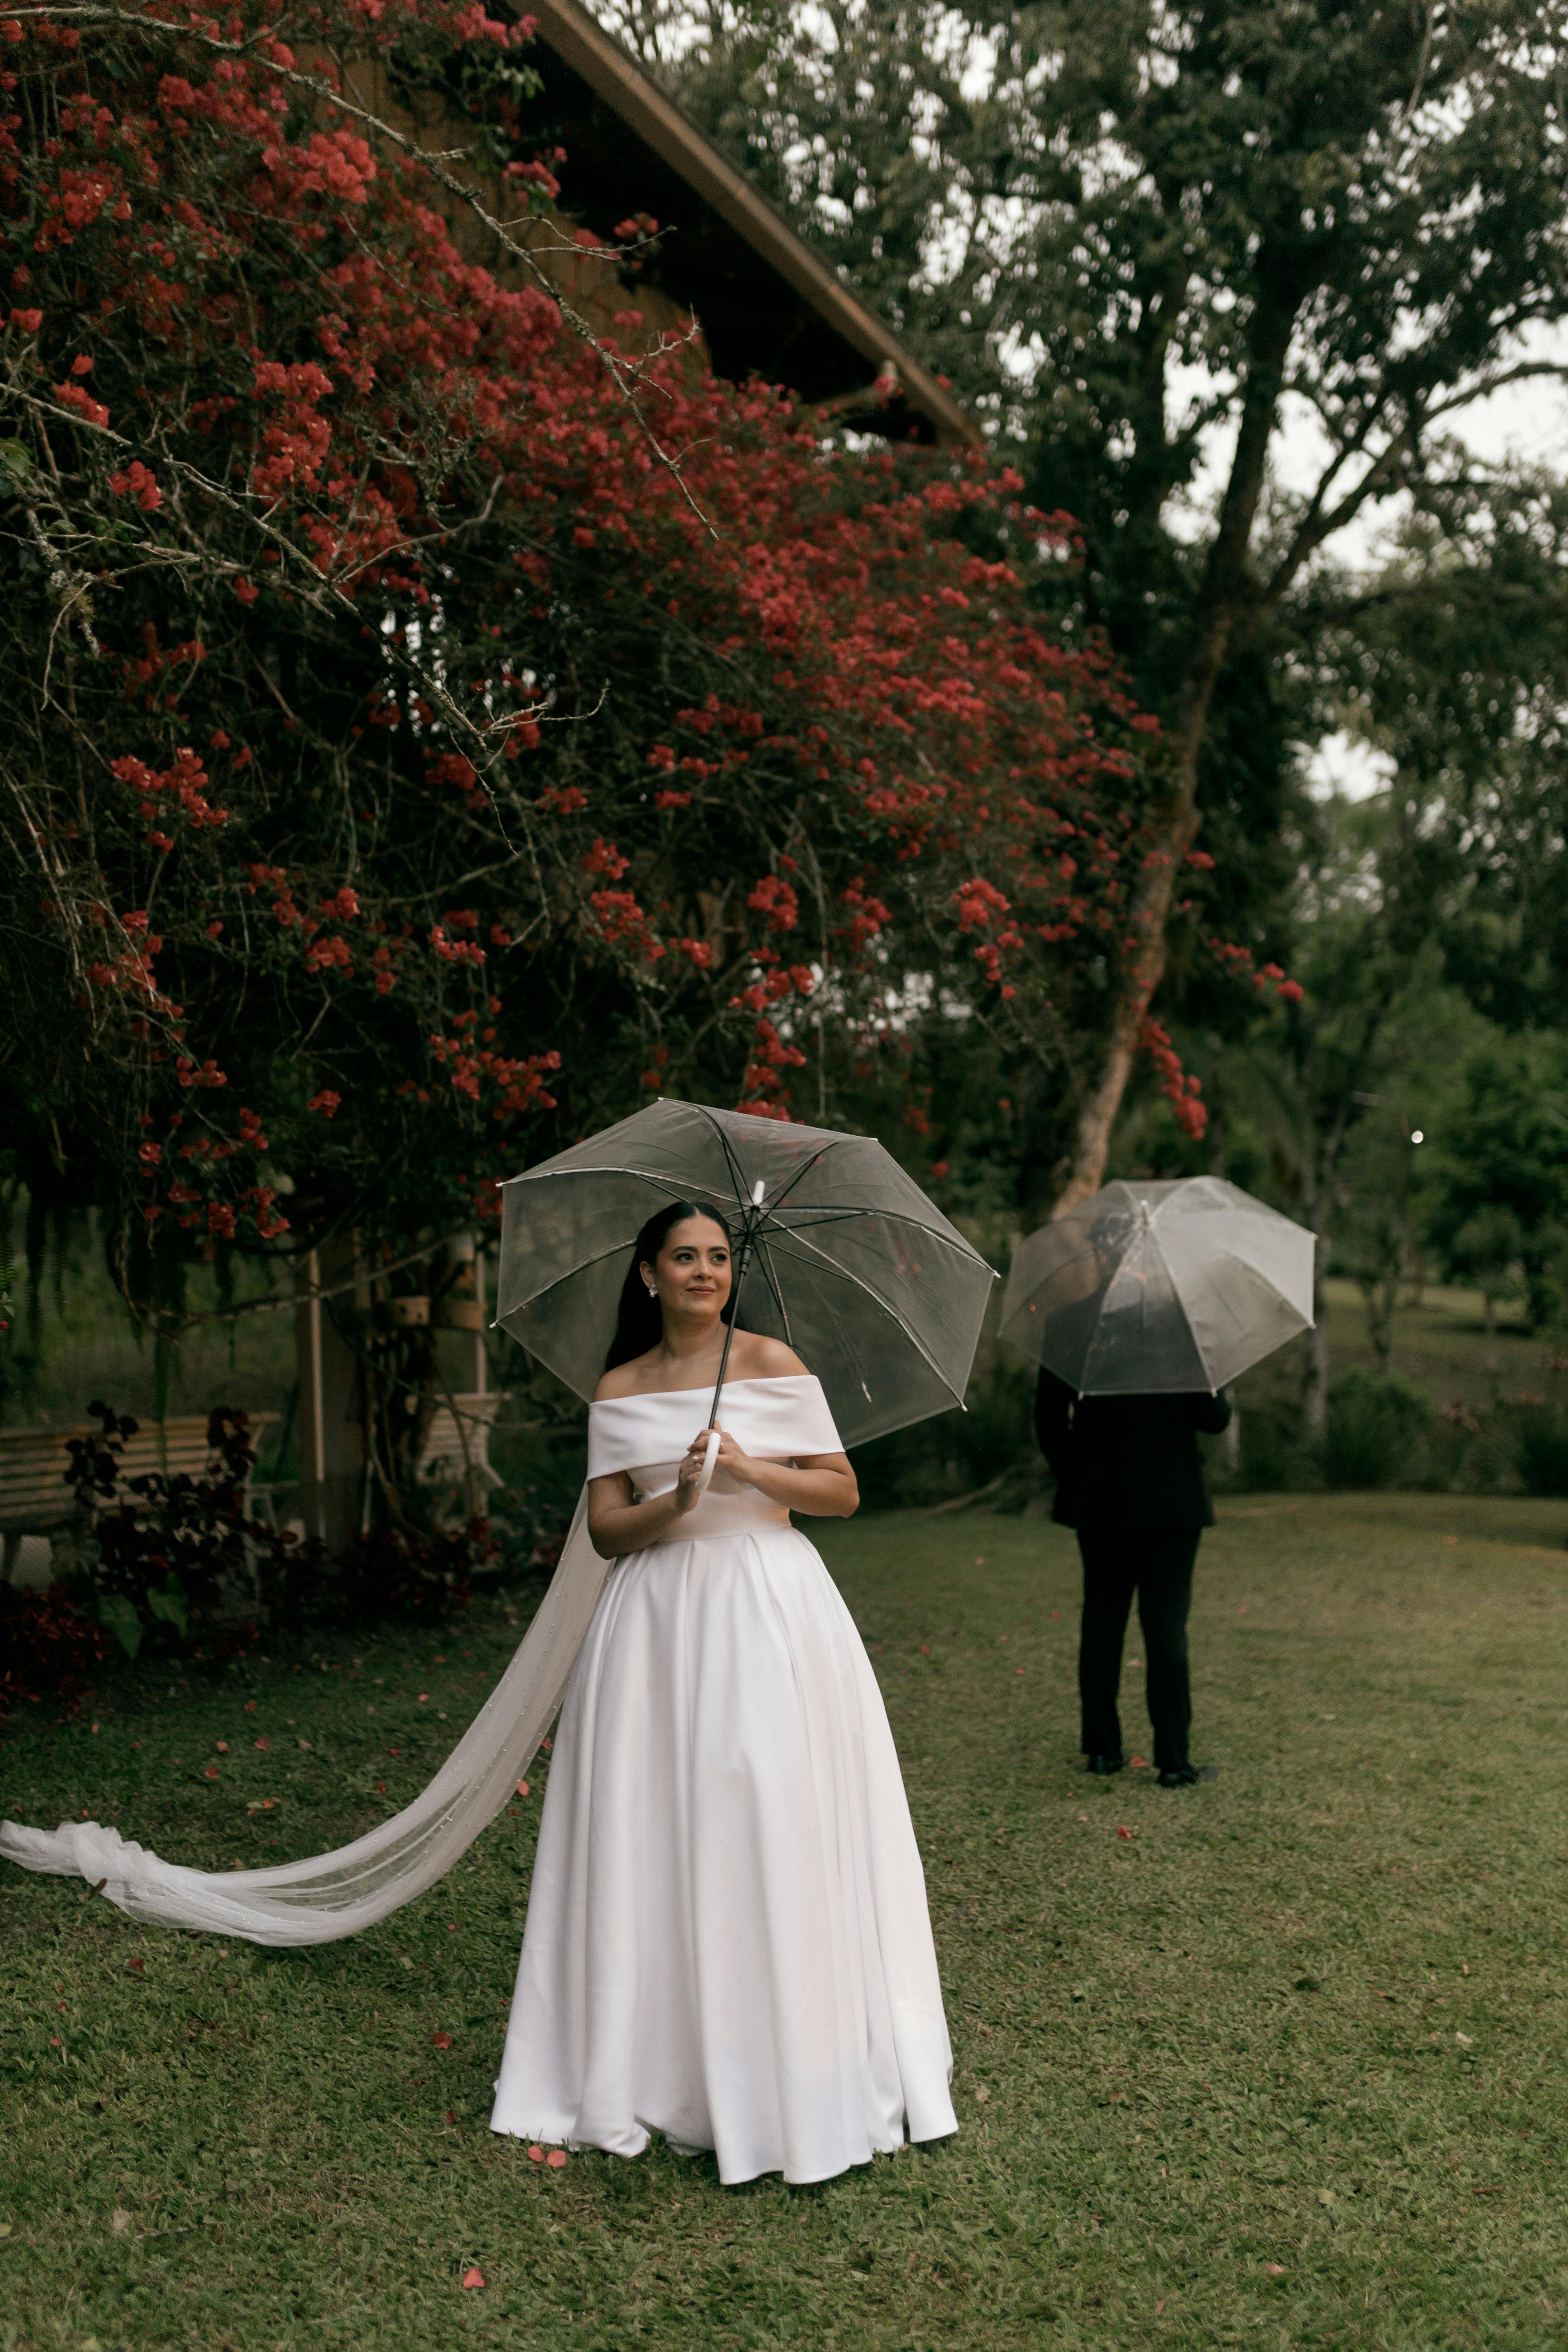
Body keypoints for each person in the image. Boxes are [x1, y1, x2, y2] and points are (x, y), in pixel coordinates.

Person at [490, 1199, 957, 2184]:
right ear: (648, 1275)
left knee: (761, 1805)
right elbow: (610, 1531)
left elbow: (840, 1490)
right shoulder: (620, 1387)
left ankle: (789, 2054)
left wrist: (746, 1468)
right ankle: (664, 2061)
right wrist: (679, 1500)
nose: (704, 1271)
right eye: (683, 1257)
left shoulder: (774, 1365)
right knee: (655, 1826)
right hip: (654, 1626)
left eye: (715, 1258)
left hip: (765, 1607)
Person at [1034, 1368, 1232, 1788]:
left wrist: (1079, 1475)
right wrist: (1215, 1376)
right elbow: (1214, 1418)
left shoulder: (1076, 1330)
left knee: (1102, 1622)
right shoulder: (1179, 1335)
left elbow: (1048, 1420)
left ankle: (1103, 1751)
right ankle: (1174, 1762)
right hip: (1170, 1501)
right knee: (1165, 1627)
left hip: (1100, 1500)